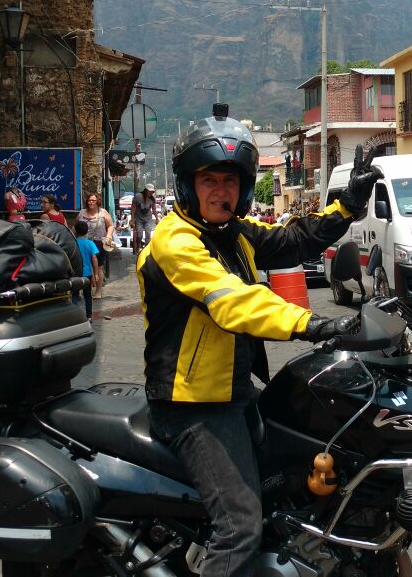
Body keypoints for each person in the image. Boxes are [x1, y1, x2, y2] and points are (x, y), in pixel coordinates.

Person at [140, 106, 380, 577]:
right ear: (189, 184)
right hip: (192, 407)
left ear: (244, 188)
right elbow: (233, 301)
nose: (220, 191)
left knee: (285, 492)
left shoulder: (233, 233)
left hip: (234, 393)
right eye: (209, 180)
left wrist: (347, 205)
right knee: (240, 527)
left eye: (230, 182)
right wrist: (313, 324)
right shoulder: (176, 242)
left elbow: (295, 238)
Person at [78, 193, 116, 292]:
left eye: (93, 200)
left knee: (99, 266)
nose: (91, 202)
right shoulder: (82, 212)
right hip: (84, 242)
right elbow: (75, 226)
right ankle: (85, 289)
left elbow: (111, 225)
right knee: (84, 265)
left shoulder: (103, 212)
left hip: (99, 243)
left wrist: (108, 235)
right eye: (89, 200)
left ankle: (98, 291)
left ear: (97, 202)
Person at [72, 220, 100, 319]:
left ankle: (74, 316)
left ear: (75, 231)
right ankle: (89, 316)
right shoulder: (90, 243)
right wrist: (96, 274)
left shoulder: (73, 243)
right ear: (87, 231)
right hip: (87, 274)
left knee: (74, 295)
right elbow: (94, 259)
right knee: (87, 296)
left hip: (75, 274)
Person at [132, 183, 159, 254]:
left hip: (148, 219)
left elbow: (154, 209)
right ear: (146, 190)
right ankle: (138, 246)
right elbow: (133, 207)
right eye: (150, 191)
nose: (151, 193)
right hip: (138, 218)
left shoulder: (152, 199)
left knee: (148, 233)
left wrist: (156, 218)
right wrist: (132, 219)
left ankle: (146, 249)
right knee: (139, 234)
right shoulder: (138, 196)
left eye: (152, 192)